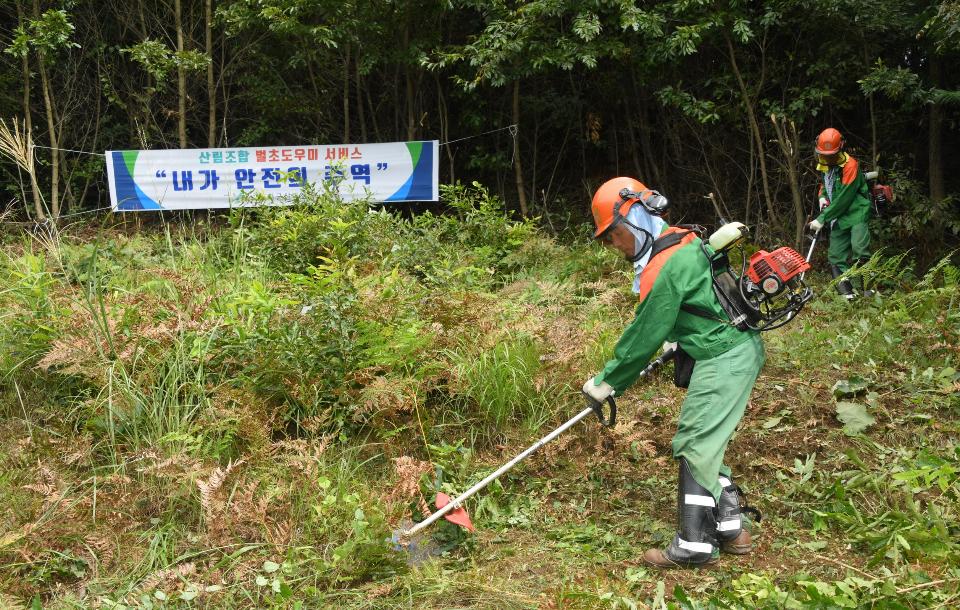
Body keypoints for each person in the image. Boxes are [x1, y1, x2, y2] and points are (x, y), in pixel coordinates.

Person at [581, 177, 765, 569]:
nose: (613, 246)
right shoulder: (683, 238)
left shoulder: (661, 267)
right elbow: (696, 295)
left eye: (612, 235)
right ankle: (732, 528)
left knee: (694, 442)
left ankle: (695, 546)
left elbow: (643, 335)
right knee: (708, 440)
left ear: (632, 219)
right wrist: (679, 335)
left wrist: (607, 382)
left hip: (724, 357)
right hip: (735, 346)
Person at [807, 128, 872, 299]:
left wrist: (822, 218)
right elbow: (825, 185)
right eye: (824, 154)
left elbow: (845, 197)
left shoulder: (850, 165)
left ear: (841, 148)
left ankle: (867, 292)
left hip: (856, 213)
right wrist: (822, 197)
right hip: (837, 216)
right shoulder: (824, 163)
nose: (827, 158)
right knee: (835, 256)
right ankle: (848, 295)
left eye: (831, 155)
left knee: (860, 250)